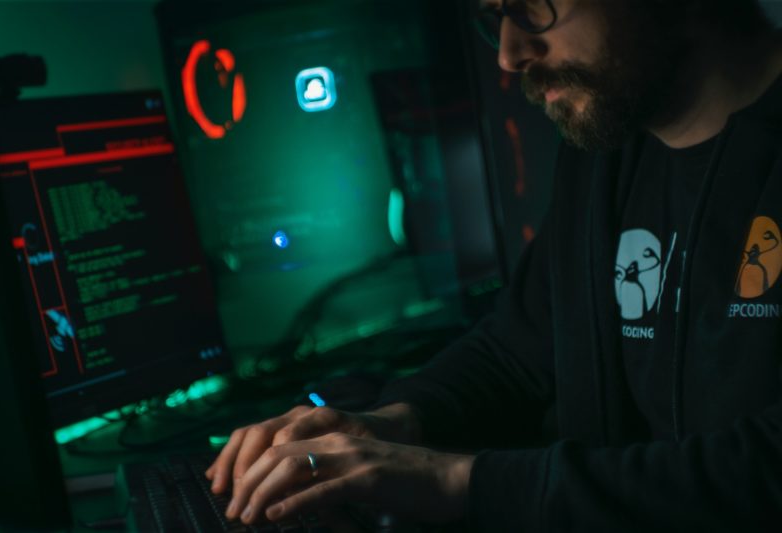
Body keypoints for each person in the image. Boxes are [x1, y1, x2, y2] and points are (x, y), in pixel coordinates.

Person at [206, 0, 782, 530]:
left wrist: (456, 480)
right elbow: (518, 347)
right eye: (494, 16)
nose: (508, 53)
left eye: (532, 7)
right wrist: (392, 422)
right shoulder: (607, 153)